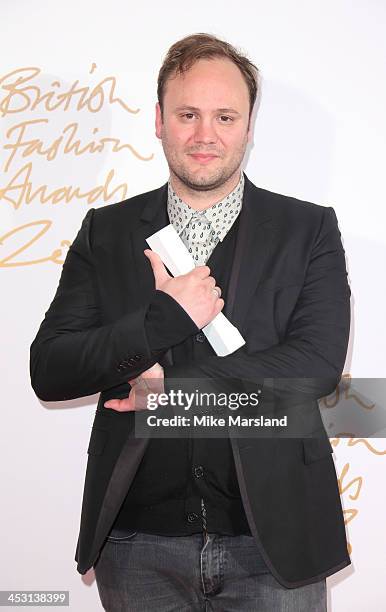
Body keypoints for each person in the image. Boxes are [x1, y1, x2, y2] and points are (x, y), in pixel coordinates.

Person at [30, 33, 351, 611]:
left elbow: (316, 368)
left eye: (225, 116)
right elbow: (50, 369)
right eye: (187, 114)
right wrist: (165, 318)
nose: (206, 135)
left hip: (276, 541)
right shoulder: (106, 232)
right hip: (136, 544)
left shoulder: (309, 230)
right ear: (158, 120)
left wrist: (172, 393)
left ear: (249, 126)